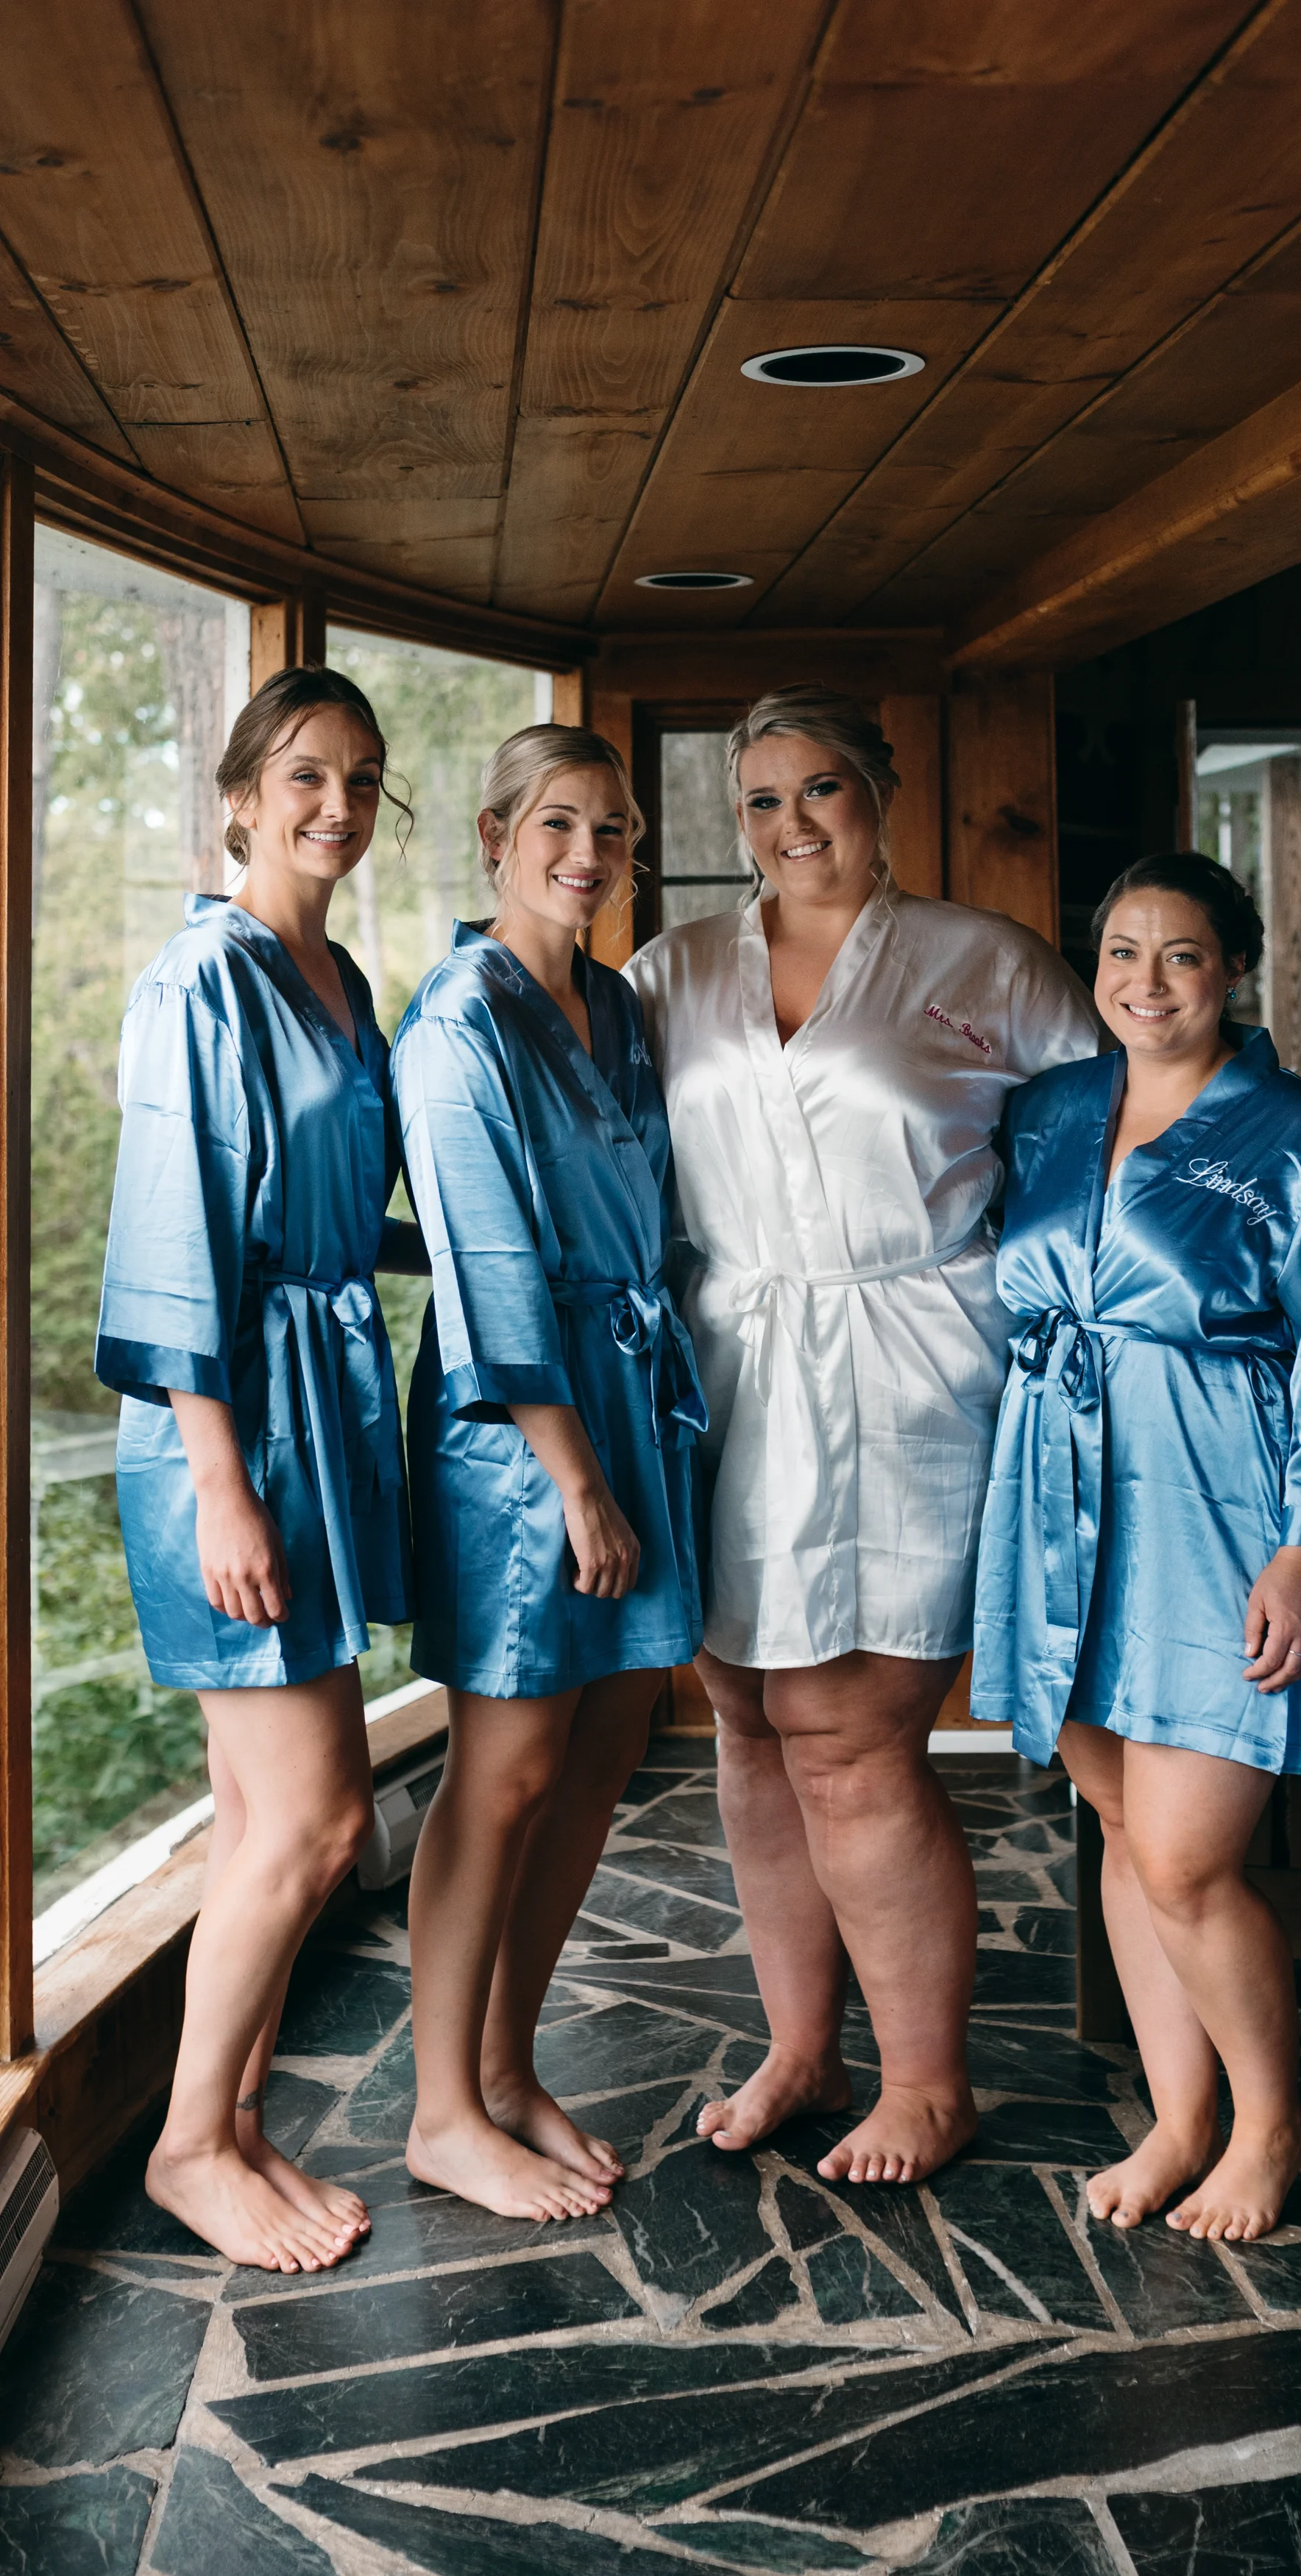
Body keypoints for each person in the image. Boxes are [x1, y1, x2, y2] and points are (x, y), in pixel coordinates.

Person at [623, 683, 1099, 2185]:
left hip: (911, 1369)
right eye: (757, 802)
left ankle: (927, 2081)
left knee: (852, 1742)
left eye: (818, 788)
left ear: (881, 791)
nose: (788, 824)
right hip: (727, 1367)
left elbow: (1109, 1143)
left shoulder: (984, 960)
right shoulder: (669, 969)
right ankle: (798, 2047)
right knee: (753, 1734)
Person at [972, 853, 1301, 2240]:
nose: (1146, 984)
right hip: (1055, 1485)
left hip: (1219, 1501)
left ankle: (1269, 2125)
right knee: (1120, 1825)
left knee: (1188, 1858)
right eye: (1122, 954)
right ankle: (1181, 2118)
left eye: (1183, 957)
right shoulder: (1046, 1111)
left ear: (1235, 972)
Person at [97, 664, 425, 2272]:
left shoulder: (341, 975)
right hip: (223, 1422)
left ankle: (230, 2126)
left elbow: (348, 1214)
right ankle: (179, 2146)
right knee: (312, 1820)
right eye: (304, 776)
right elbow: (171, 1243)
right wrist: (221, 1482)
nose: (336, 808)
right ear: (239, 793)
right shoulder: (198, 982)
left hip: (323, 1407)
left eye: (362, 779)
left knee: (262, 1821)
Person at [392, 725, 705, 2222]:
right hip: (515, 1429)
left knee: (600, 1752)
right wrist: (574, 1477)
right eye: (559, 826)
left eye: (614, 830)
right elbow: (485, 1269)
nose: (589, 854)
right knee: (505, 1767)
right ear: (496, 835)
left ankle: (509, 2067)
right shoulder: (461, 1018)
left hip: (631, 1399)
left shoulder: (619, 1007)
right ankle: (440, 2108)